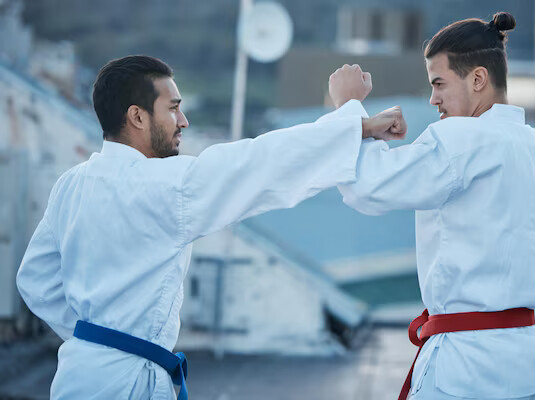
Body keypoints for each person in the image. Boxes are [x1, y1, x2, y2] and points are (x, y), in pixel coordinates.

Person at [15, 55, 407, 399]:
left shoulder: (72, 184)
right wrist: (352, 121)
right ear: (137, 116)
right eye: (173, 109)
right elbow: (259, 164)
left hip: (77, 373)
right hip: (125, 384)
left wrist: (94, 339)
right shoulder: (162, 187)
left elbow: (35, 280)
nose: (183, 121)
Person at [329, 12, 535, 400]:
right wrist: (508, 290)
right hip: (528, 366)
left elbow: (365, 187)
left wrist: (348, 109)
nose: (433, 99)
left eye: (439, 83)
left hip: (464, 370)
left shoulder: (458, 139)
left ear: (478, 79)